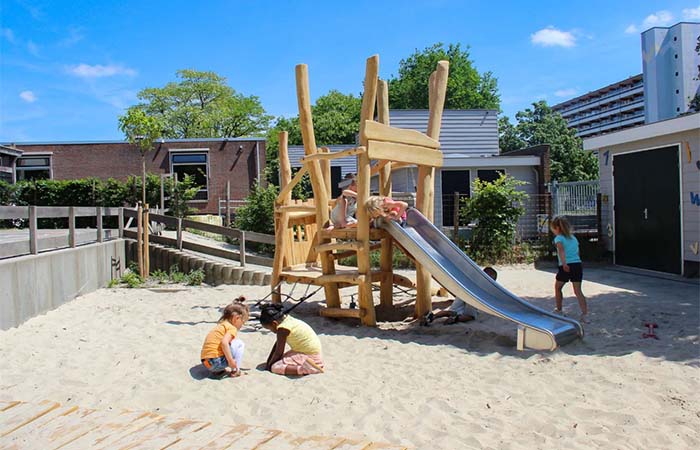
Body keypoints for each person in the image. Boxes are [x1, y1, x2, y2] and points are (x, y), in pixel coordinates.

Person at [259, 303, 324, 376]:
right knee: (278, 360)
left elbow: (278, 353)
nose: (271, 331)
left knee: (275, 367)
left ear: (274, 324)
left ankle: (306, 369)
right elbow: (277, 345)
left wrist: (270, 367)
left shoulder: (282, 329)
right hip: (311, 351)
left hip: (308, 354)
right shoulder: (287, 320)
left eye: (270, 328)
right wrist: (269, 362)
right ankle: (311, 364)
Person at [422, 267, 498, 326]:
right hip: (474, 297)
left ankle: (432, 316)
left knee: (451, 312)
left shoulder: (476, 278)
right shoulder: (489, 286)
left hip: (463, 293)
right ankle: (455, 319)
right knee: (470, 316)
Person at [550, 216, 589, 322]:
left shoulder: (558, 238)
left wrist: (564, 264)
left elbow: (561, 251)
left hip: (566, 265)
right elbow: (577, 251)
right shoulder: (573, 238)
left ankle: (559, 310)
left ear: (557, 228)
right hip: (577, 264)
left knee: (558, 287)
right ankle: (585, 314)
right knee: (578, 291)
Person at [200, 297, 248, 378]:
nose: (242, 325)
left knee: (230, 344)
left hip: (206, 363)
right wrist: (231, 361)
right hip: (215, 362)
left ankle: (218, 371)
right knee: (239, 344)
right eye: (242, 322)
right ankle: (236, 370)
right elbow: (224, 343)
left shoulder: (221, 325)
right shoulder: (232, 328)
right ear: (236, 318)